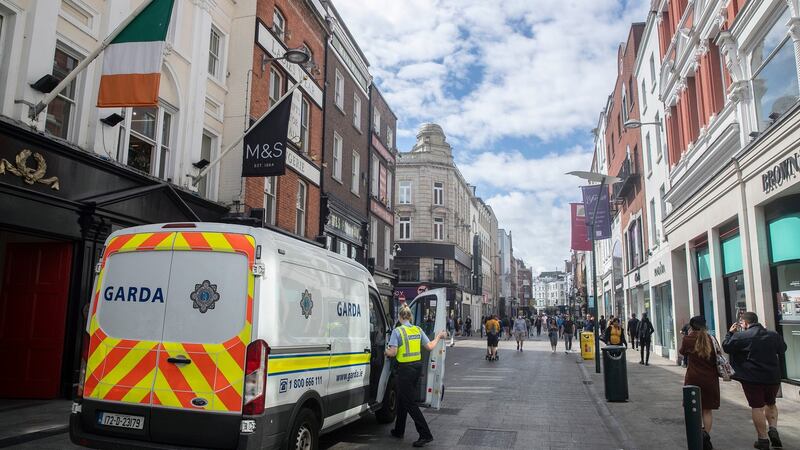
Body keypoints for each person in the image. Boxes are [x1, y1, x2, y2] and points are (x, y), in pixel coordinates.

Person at [722, 312, 787, 450]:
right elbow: (783, 349)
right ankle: (773, 429)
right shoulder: (773, 335)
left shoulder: (741, 336)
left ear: (744, 323)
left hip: (752, 378)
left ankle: (763, 439)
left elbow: (727, 347)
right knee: (771, 403)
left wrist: (730, 333)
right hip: (772, 376)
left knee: (757, 407)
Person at [385, 305, 446, 447]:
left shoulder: (397, 331)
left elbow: (393, 353)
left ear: (400, 317)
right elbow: (430, 346)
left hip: (405, 370)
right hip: (416, 369)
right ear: (410, 317)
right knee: (401, 398)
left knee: (409, 403)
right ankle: (399, 430)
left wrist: (386, 352)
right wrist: (438, 337)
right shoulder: (417, 330)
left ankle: (425, 434)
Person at [679, 316, 720, 450]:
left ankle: (697, 437)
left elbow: (682, 352)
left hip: (693, 378)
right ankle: (705, 436)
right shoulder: (711, 339)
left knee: (693, 409)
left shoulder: (688, 339)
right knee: (707, 411)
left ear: (692, 326)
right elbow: (718, 356)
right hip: (710, 379)